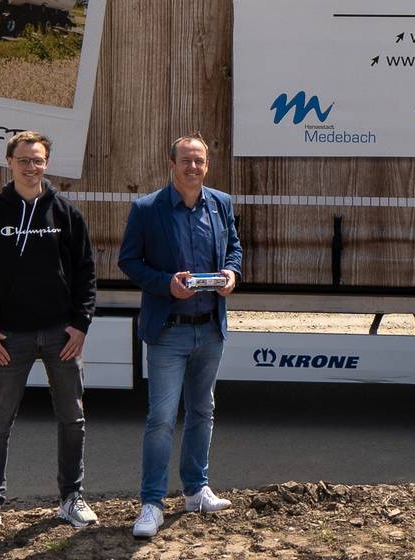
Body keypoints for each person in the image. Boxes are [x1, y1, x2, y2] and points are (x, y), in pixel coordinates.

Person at [0, 131, 100, 538]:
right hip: (11, 339)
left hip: (61, 334)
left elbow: (86, 273)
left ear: (46, 163)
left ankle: (71, 498)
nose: (31, 166)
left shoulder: (65, 212)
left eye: (38, 160)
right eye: (23, 159)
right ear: (9, 162)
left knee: (72, 419)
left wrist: (80, 324)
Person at [117, 135, 242, 540]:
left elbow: (234, 250)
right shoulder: (147, 209)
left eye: (200, 161)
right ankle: (152, 503)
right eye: (186, 160)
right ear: (171, 163)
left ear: (208, 165)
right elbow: (129, 262)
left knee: (203, 412)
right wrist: (164, 284)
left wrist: (231, 275)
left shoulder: (221, 203)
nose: (193, 167)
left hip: (209, 328)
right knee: (161, 419)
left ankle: (195, 490)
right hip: (168, 332)